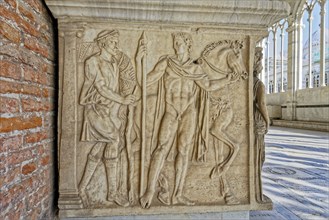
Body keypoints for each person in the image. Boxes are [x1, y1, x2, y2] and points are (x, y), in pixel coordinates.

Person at [136, 32, 235, 208]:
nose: (176, 46)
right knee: (160, 148)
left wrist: (227, 79)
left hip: (189, 112)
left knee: (183, 151)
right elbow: (146, 81)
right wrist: (138, 60)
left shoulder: (196, 69)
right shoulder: (167, 63)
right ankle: (149, 191)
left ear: (188, 44)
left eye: (179, 42)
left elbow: (209, 86)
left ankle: (178, 194)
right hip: (171, 111)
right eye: (175, 43)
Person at [78, 29, 137, 207]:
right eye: (113, 42)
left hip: (109, 112)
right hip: (94, 109)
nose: (116, 46)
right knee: (114, 139)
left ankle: (81, 188)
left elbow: (116, 89)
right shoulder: (93, 62)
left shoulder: (113, 63)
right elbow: (102, 89)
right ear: (103, 43)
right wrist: (123, 99)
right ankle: (112, 193)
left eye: (117, 42)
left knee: (99, 147)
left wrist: (121, 107)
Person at [253, 47, 270, 203]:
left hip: (248, 120)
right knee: (259, 156)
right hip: (257, 121)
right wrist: (267, 120)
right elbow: (262, 104)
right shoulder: (259, 84)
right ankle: (255, 193)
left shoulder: (247, 83)